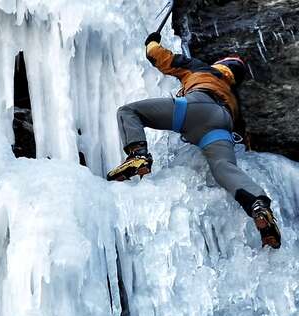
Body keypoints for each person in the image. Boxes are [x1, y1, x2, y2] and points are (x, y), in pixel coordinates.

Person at [106, 31, 282, 248]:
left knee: (129, 112)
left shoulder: (202, 69)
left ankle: (138, 155)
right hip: (221, 125)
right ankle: (258, 205)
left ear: (221, 65)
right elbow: (244, 140)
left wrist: (151, 43)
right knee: (224, 168)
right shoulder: (233, 96)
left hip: (195, 107)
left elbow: (163, 58)